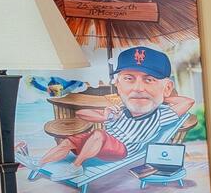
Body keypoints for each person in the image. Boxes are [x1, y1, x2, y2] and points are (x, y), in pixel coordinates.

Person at [22, 46, 194, 169]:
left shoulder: (161, 114)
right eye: (128, 79)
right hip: (100, 144)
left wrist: (159, 97)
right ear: (118, 86)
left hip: (122, 149)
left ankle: (75, 166)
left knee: (98, 134)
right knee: (69, 141)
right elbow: (82, 113)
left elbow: (187, 102)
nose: (138, 88)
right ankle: (39, 163)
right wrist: (105, 117)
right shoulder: (119, 112)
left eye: (149, 80)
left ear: (167, 88)